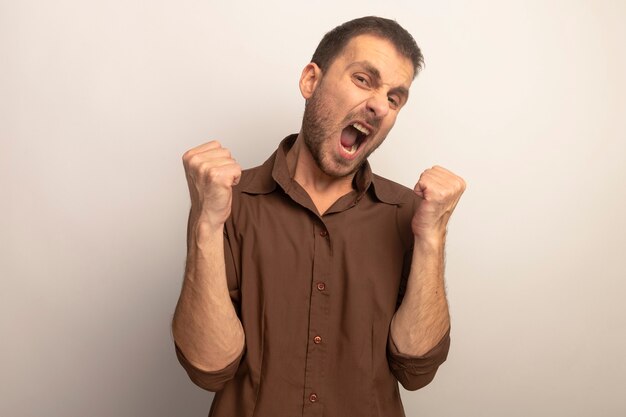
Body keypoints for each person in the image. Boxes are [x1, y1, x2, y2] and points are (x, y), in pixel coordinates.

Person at [172, 16, 466, 417]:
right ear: (311, 80)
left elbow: (417, 369)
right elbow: (209, 368)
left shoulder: (410, 215)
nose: (380, 105)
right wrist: (205, 223)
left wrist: (433, 237)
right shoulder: (228, 202)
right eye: (364, 79)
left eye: (395, 98)